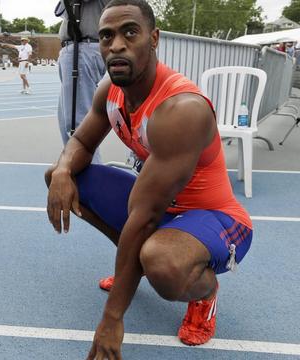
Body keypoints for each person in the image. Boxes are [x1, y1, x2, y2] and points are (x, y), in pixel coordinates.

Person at [44, 0, 253, 358]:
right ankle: (134, 267)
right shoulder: (111, 87)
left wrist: (112, 318)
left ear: (153, 39)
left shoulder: (180, 110)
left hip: (215, 218)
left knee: (162, 262)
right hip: (160, 207)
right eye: (107, 36)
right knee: (61, 178)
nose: (117, 45)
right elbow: (80, 141)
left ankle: (205, 293)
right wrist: (63, 170)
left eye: (130, 33)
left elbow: (144, 218)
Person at [55, 0, 109, 151]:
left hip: (83, 48)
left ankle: (89, 172)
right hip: (79, 49)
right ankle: (75, 168)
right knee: (68, 123)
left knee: (79, 127)